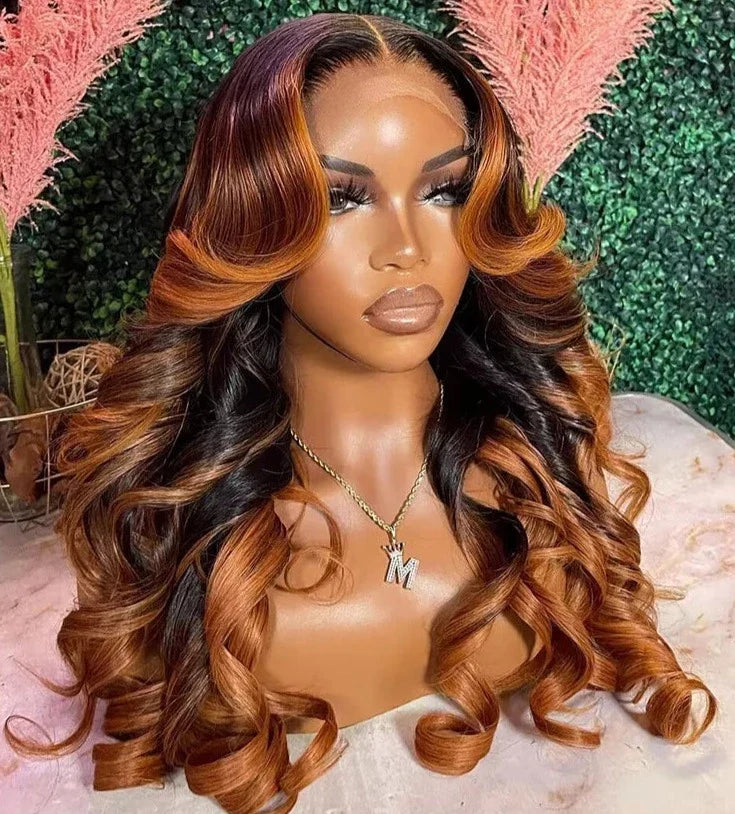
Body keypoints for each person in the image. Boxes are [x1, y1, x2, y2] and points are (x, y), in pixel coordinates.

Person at [4, 12, 717, 813]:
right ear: (252, 220)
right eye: (341, 199)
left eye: (443, 191)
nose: (405, 249)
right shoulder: (188, 537)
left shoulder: (536, 489)